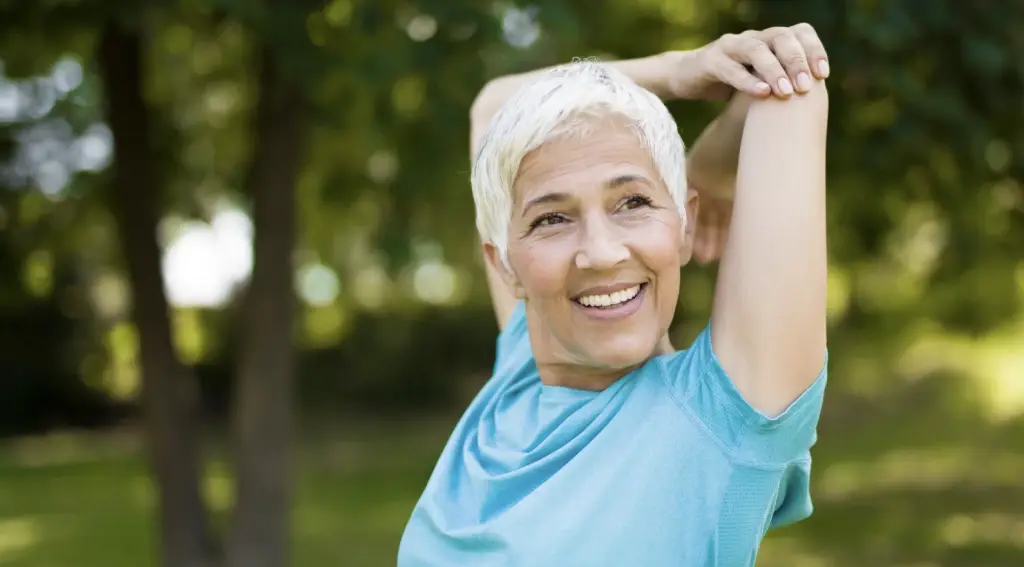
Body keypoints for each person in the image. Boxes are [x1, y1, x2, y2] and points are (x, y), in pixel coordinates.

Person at [398, 23, 830, 567]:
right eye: (552, 218)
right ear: (505, 266)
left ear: (684, 225)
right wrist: (679, 70)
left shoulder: (724, 420)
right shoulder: (522, 369)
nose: (601, 253)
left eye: (632, 203)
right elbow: (494, 104)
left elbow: (792, 83)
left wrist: (715, 162)